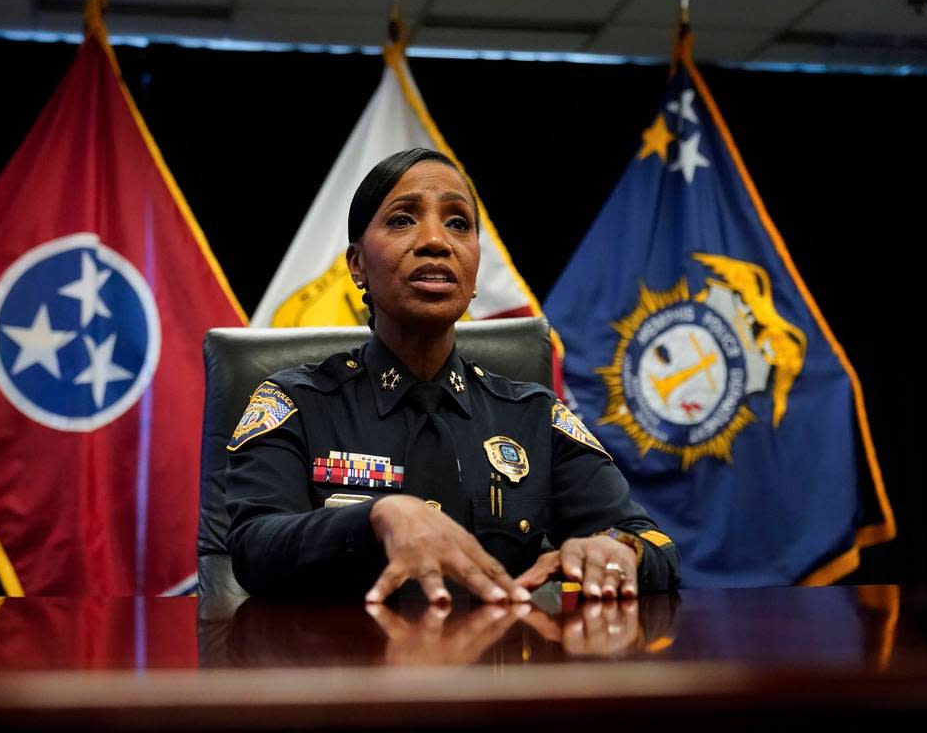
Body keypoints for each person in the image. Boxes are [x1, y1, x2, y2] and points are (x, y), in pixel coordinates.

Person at [225, 147, 679, 603]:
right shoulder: (296, 402)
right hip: (350, 667)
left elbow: (653, 545)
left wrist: (617, 550)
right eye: (402, 219)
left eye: (458, 223)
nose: (436, 241)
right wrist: (373, 519)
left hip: (495, 665)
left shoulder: (534, 416)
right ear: (357, 264)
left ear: (475, 265)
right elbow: (252, 548)